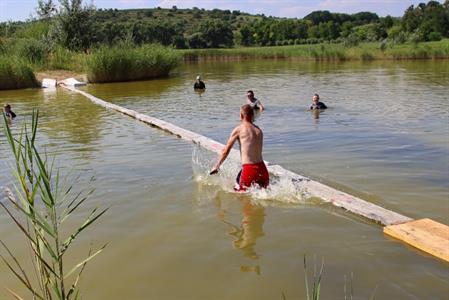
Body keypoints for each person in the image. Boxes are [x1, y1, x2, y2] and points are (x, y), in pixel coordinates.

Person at [210, 104, 269, 191]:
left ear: (241, 115)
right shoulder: (258, 130)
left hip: (249, 169)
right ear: (252, 115)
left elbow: (226, 151)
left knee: (243, 199)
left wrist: (217, 165)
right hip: (262, 170)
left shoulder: (239, 129)